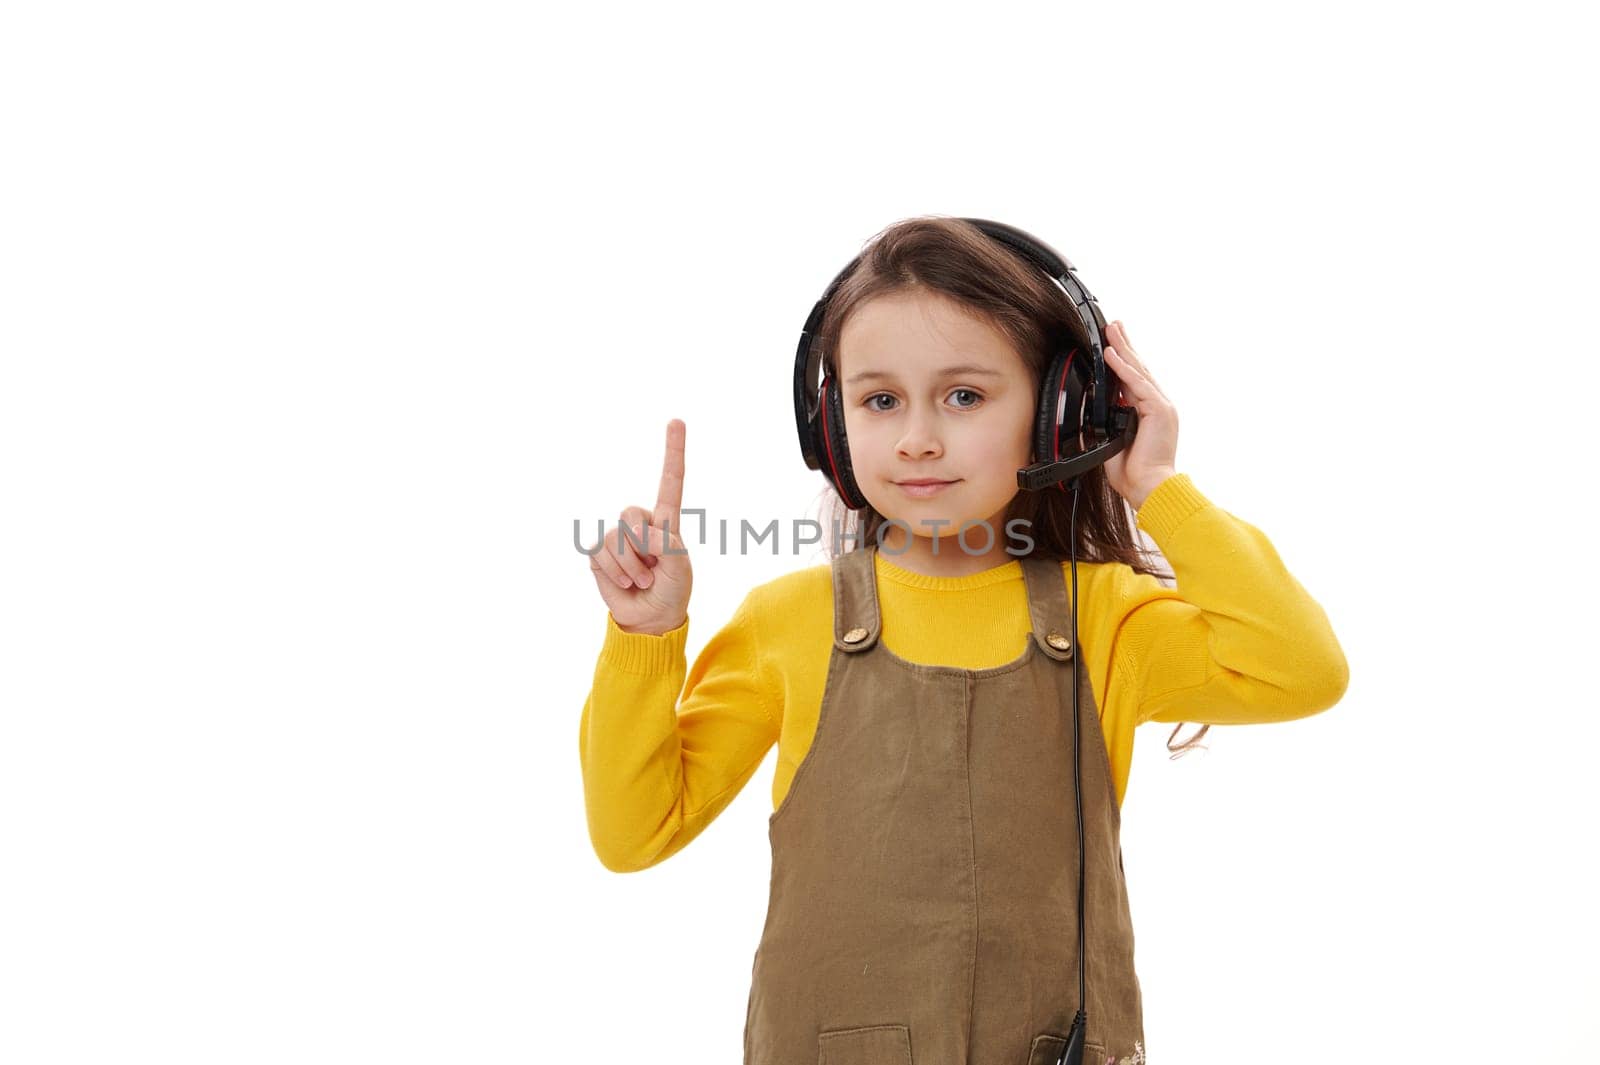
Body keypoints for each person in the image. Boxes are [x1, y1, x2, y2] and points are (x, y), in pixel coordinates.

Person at [577, 216, 1349, 1065]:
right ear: (831, 426)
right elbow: (634, 832)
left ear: (1060, 414)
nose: (916, 437)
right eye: (880, 400)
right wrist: (645, 637)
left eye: (965, 396)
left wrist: (1156, 486)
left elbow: (1302, 670)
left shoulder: (1105, 620)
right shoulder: (789, 620)